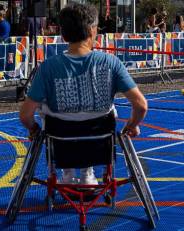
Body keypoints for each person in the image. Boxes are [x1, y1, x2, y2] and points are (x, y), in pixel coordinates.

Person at [19, 3, 147, 185]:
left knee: (49, 112)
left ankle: (68, 172)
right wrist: (132, 125)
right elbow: (141, 105)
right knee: (103, 111)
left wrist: (33, 129)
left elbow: (25, 115)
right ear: (92, 31)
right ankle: (88, 172)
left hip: (60, 144)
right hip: (100, 144)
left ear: (63, 34)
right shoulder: (112, 63)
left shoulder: (47, 68)